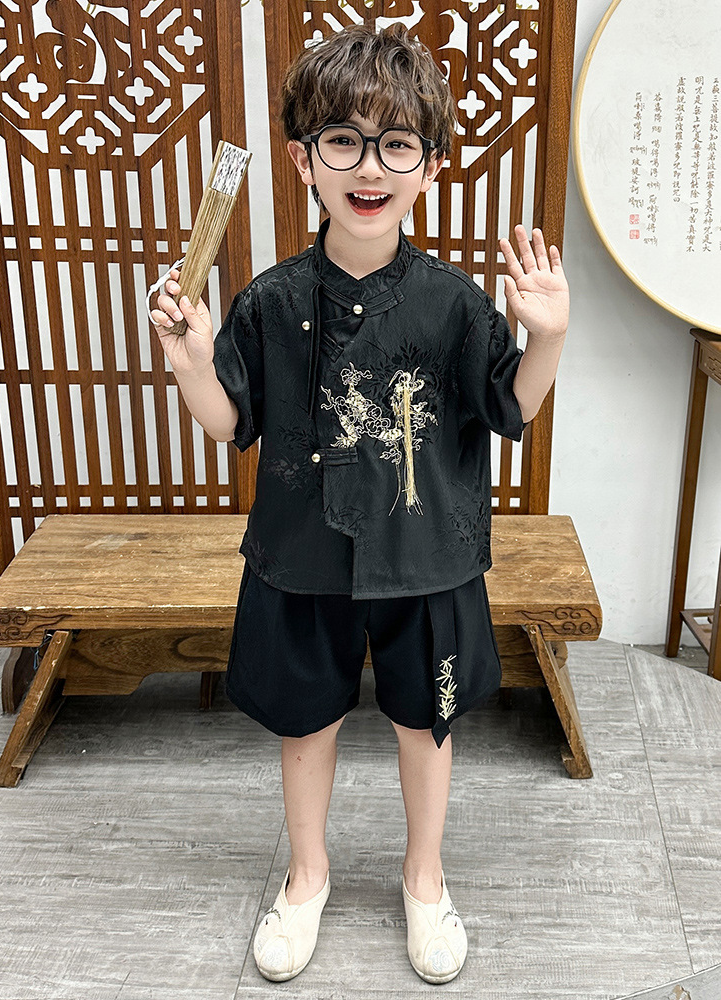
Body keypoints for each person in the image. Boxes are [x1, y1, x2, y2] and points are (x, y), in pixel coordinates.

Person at [149, 21, 569, 987]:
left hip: (428, 557)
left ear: (430, 167)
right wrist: (190, 362)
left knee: (428, 722)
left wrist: (545, 338)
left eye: (396, 144)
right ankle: (307, 876)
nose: (369, 166)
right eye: (343, 140)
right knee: (306, 723)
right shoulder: (268, 299)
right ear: (304, 159)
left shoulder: (455, 303)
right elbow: (230, 421)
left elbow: (510, 407)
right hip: (301, 552)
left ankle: (425, 879)